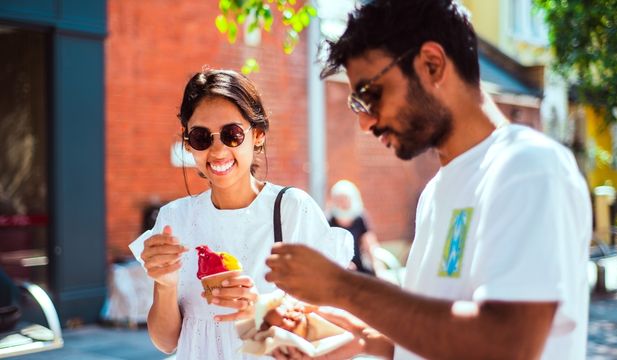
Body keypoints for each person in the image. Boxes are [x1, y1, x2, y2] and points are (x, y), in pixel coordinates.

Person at [265, 1, 592, 359]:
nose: (365, 122)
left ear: (432, 64)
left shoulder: (526, 166)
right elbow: (429, 340)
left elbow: (505, 343)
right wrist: (348, 331)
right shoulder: (435, 192)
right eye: (357, 105)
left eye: (370, 95)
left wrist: (344, 287)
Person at [128, 69, 353, 359]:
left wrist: (260, 308)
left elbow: (336, 316)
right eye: (200, 137)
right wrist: (166, 285)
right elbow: (166, 342)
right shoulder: (175, 220)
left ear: (257, 135)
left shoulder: (292, 210)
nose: (218, 149)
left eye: (232, 134)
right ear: (188, 145)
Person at [327, 179, 379, 275]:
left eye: (345, 199)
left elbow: (369, 244)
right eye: (339, 199)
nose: (342, 203)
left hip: (359, 268)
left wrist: (378, 268)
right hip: (337, 269)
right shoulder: (329, 221)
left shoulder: (360, 218)